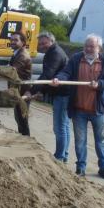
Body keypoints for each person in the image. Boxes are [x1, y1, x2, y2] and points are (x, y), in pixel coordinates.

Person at [52, 34, 104, 179]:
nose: (87, 48)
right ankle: (80, 168)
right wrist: (58, 79)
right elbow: (65, 73)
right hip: (79, 108)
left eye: (91, 46)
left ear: (98, 47)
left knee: (100, 140)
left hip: (97, 109)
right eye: (86, 45)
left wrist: (99, 84)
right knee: (80, 141)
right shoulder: (76, 59)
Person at [26, 31, 70, 161]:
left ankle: (59, 157)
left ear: (51, 41)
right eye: (40, 43)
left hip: (62, 93)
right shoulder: (52, 52)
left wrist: (32, 91)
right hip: (63, 92)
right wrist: (41, 92)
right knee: (65, 125)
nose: (42, 45)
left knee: (60, 126)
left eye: (44, 43)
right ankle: (64, 155)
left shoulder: (55, 53)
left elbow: (47, 75)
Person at [9, 32, 32, 136]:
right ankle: (23, 140)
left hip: (23, 92)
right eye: (11, 39)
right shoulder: (17, 53)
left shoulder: (22, 55)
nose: (12, 42)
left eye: (15, 40)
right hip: (18, 91)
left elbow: (12, 71)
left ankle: (27, 143)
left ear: (23, 42)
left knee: (22, 119)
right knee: (19, 118)